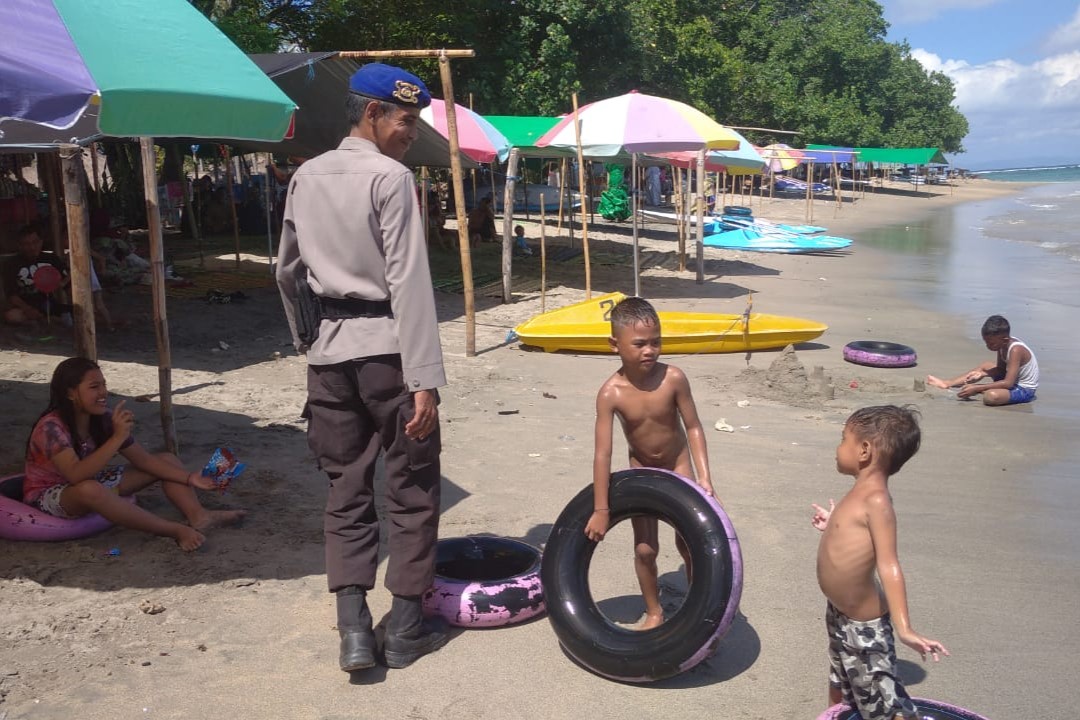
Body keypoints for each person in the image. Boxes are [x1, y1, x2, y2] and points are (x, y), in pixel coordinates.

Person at [275, 62, 448, 673]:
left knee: (345, 489)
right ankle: (403, 630)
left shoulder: (306, 176)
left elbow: (287, 272)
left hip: (328, 358)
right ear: (372, 113)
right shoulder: (391, 178)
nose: (413, 133)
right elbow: (409, 282)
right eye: (407, 121)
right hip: (389, 358)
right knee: (412, 489)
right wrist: (424, 379)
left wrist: (308, 338)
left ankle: (353, 631)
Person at [583, 297, 716, 630]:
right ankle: (654, 611)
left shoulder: (673, 379)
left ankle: (697, 603)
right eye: (640, 344)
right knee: (645, 549)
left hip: (678, 465)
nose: (650, 351)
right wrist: (601, 509)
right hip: (641, 471)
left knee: (689, 542)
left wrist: (705, 478)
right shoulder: (610, 393)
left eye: (656, 342)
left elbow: (693, 427)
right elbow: (602, 453)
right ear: (614, 344)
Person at [23, 357, 245, 552]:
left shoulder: (103, 419)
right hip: (49, 496)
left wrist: (190, 478)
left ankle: (199, 516)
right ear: (70, 393)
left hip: (91, 481)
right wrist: (117, 438)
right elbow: (75, 475)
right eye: (94, 387)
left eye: (104, 385)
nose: (103, 392)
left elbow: (144, 460)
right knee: (89, 488)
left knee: (166, 460)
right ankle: (173, 530)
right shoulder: (51, 428)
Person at [811, 405, 948, 720]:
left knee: (882, 706)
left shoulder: (877, 501)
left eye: (843, 439)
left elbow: (889, 566)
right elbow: (856, 535)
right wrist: (832, 524)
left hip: (865, 626)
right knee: (841, 681)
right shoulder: (859, 493)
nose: (838, 447)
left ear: (864, 450)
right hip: (839, 614)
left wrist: (905, 628)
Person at [926, 315, 1038, 405]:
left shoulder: (1016, 350)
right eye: (986, 342)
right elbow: (1001, 370)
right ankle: (947, 383)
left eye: (991, 343)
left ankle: (981, 390)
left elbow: (1008, 383)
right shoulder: (1002, 345)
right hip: (1011, 380)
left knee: (991, 397)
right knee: (986, 365)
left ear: (1004, 340)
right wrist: (982, 374)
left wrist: (978, 388)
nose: (988, 346)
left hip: (1023, 389)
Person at [3, 224, 71, 326]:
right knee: (12, 316)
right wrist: (27, 309)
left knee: (75, 312)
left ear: (41, 241)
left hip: (49, 303)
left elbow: (68, 281)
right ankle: (44, 320)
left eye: (35, 242)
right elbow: (11, 294)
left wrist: (63, 285)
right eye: (26, 244)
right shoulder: (11, 264)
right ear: (19, 245)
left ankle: (45, 319)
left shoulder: (51, 258)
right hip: (25, 306)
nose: (32, 247)